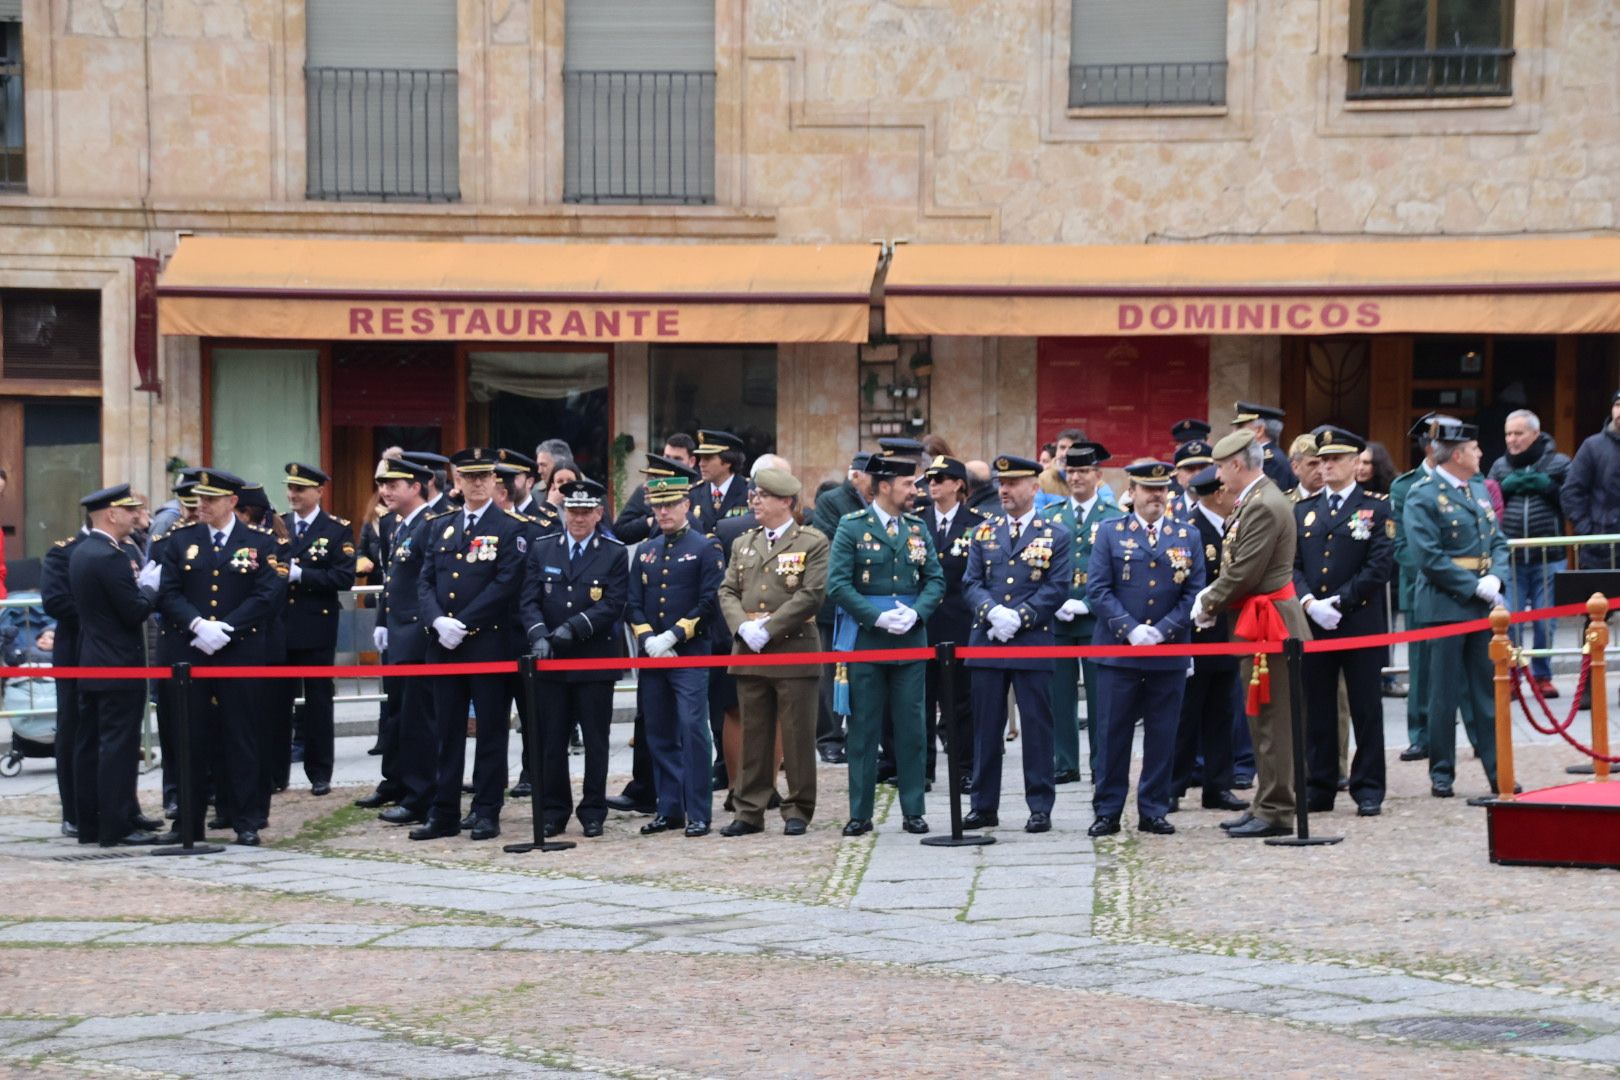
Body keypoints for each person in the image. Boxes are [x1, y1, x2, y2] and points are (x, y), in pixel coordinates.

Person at [154, 469, 281, 846]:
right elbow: (168, 591)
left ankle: (245, 820)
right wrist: (197, 625)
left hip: (239, 651)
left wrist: (227, 628)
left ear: (231, 502)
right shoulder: (179, 541)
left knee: (241, 736)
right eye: (199, 498)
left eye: (210, 498)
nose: (202, 505)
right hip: (191, 652)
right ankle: (187, 824)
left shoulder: (259, 542)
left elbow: (267, 593)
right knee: (188, 738)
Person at [1193, 430, 1309, 839]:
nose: (1220, 477)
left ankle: (1277, 807)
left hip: (1269, 622)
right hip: (1259, 621)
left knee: (1273, 721)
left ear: (1238, 465)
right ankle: (1267, 801)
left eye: (1222, 468)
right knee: (1261, 718)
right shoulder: (1259, 500)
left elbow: (1246, 571)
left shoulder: (1263, 504)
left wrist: (1208, 602)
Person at [409, 448, 526, 843]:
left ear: (496, 481)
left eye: (484, 476)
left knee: (491, 732)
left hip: (488, 643)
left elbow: (506, 582)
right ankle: (443, 811)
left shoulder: (511, 528)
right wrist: (437, 620)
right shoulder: (438, 525)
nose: (476, 483)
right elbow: (424, 580)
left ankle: (486, 810)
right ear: (457, 481)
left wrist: (465, 621)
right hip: (443, 644)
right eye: (469, 476)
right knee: (446, 732)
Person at [827, 453, 944, 836]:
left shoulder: (916, 527)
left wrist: (917, 614)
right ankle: (859, 812)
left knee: (912, 727)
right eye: (908, 484)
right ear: (884, 486)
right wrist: (875, 617)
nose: (916, 490)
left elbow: (935, 580)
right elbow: (838, 585)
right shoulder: (851, 527)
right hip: (868, 640)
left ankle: (913, 808)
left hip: (910, 640)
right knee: (863, 729)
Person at [1085, 461, 1203, 837]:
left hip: (1167, 652)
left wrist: (1165, 630)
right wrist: (1130, 629)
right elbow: (1098, 590)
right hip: (1119, 652)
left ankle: (1153, 808)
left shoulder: (1186, 535)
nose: (1155, 496)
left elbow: (1195, 592)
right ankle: (1107, 810)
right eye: (1147, 489)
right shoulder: (1109, 533)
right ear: (1131, 491)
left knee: (1162, 733)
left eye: (1161, 489)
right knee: (1112, 733)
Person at [961, 454, 1071, 834]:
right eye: (1001, 484)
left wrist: (1020, 618)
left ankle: (1040, 805)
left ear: (1035, 488)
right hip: (988, 641)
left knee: (1038, 729)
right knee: (986, 729)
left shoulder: (1055, 535)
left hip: (1032, 642)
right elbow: (971, 583)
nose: (1004, 490)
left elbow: (1057, 588)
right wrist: (992, 613)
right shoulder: (984, 532)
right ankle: (983, 805)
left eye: (1013, 484)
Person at [1404, 418, 1512, 799]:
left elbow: (1498, 541)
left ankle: (1499, 771)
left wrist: (1496, 578)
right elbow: (1428, 558)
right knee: (1443, 695)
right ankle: (1442, 772)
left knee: (1487, 694)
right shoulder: (1423, 495)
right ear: (1458, 454)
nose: (1481, 453)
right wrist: (1474, 587)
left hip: (1482, 606)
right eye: (1475, 448)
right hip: (1444, 607)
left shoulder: (1477, 491)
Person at [717, 467, 828, 836]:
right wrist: (743, 626)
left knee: (797, 736)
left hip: (793, 649)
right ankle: (749, 809)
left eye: (763, 496)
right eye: (754, 495)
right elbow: (727, 591)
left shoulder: (811, 542)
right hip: (750, 649)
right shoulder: (744, 542)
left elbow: (811, 594)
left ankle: (798, 808)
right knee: (754, 734)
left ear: (786, 502)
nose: (755, 501)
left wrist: (770, 627)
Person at [1293, 428, 1394, 816]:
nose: (1327, 466)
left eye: (1335, 459)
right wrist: (1309, 602)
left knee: (1366, 707)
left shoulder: (1377, 508)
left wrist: (1342, 599)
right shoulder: (1305, 509)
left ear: (1355, 463)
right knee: (1317, 707)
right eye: (1322, 460)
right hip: (1316, 623)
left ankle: (1368, 786)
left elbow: (1380, 564)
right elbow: (1294, 564)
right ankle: (1319, 783)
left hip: (1359, 620)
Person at [521, 478, 628, 839]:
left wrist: (575, 627)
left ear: (599, 513)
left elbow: (613, 604)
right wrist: (538, 635)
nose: (578, 518)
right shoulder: (542, 548)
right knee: (552, 740)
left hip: (594, 658)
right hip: (550, 658)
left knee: (596, 742)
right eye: (572, 511)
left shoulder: (613, 552)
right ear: (562, 511)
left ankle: (593, 810)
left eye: (585, 512)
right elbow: (529, 599)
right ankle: (554, 810)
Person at [626, 457, 724, 837]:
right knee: (659, 732)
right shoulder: (648, 551)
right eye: (657, 506)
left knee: (692, 729)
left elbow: (709, 600)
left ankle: (698, 810)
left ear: (686, 504)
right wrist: (649, 637)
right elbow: (632, 602)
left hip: (689, 654)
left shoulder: (705, 547)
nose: (663, 512)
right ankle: (670, 807)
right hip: (653, 656)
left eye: (670, 505)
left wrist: (675, 636)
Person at [68, 485, 162, 847]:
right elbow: (134, 611)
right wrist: (150, 589)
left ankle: (92, 824)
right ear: (111, 514)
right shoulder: (109, 556)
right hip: (118, 664)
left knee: (93, 746)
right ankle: (116, 826)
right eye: (128, 510)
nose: (133, 516)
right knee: (117, 750)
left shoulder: (83, 551)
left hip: (93, 661)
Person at [1042, 441, 1124, 786]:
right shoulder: (1051, 516)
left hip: (1097, 619)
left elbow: (1119, 574)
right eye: (1071, 471)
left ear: (1097, 475)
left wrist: (1089, 603)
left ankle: (1100, 760)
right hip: (1058, 618)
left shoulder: (1114, 518)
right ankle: (1064, 761)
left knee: (1099, 697)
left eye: (1083, 471)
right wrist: (1053, 601)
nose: (1076, 477)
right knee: (1059, 696)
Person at [363, 459, 439, 825]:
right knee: (400, 717)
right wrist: (382, 620)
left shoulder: (430, 525)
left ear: (416, 486)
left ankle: (421, 795)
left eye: (394, 484)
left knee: (418, 720)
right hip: (398, 631)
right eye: (382, 484)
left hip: (418, 634)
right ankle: (403, 784)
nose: (385, 491)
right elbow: (393, 579)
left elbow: (428, 583)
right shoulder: (396, 524)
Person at [278, 463, 355, 796]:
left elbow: (343, 577)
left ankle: (320, 772)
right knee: (277, 702)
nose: (293, 495)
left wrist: (302, 576)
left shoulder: (336, 530)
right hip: (281, 625)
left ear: (319, 492)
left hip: (316, 624)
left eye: (301, 489)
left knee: (318, 702)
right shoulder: (278, 525)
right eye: (290, 488)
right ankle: (275, 773)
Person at [1171, 467, 1246, 814]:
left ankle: (1219, 785)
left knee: (1222, 713)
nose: (1236, 495)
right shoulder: (1188, 530)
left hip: (1227, 636)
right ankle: (1172, 786)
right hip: (1196, 635)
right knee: (1186, 715)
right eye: (1231, 490)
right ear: (1218, 494)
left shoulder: (1233, 526)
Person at [1488, 409, 1572, 700]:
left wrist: (1549, 488)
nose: (1512, 439)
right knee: (1509, 619)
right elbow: (1488, 505)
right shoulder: (1499, 466)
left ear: (1535, 434)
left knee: (1544, 620)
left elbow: (1571, 501)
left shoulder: (1559, 463)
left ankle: (1542, 675)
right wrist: (1505, 491)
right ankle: (1512, 674)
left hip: (1549, 557)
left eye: (1518, 433)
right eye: (1508, 434)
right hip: (1509, 559)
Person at [920, 455, 985, 787]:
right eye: (930, 478)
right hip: (925, 625)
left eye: (941, 478)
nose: (933, 484)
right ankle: (924, 769)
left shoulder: (977, 525)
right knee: (922, 703)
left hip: (961, 624)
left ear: (959, 484)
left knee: (960, 703)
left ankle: (963, 769)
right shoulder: (917, 523)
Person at [811, 451, 873, 764]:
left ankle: (861, 735)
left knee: (863, 671)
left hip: (870, 603)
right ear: (856, 476)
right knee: (829, 674)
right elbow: (833, 545)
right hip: (833, 602)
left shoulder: (879, 501)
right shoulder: (832, 501)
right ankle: (829, 738)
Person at [40, 518, 90, 837]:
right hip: (76, 650)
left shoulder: (126, 548)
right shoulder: (64, 553)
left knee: (117, 735)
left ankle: (122, 807)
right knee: (73, 728)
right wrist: (101, 613)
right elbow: (56, 601)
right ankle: (73, 811)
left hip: (116, 652)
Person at [615, 434, 697, 544]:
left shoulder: (699, 489)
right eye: (667, 457)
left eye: (677, 459)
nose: (670, 462)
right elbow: (620, 531)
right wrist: (650, 521)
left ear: (691, 461)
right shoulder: (647, 489)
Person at [1231, 401, 1299, 493]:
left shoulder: (1270, 461)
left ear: (1259, 430)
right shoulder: (1267, 457)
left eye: (1240, 427)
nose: (1234, 433)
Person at [1168, 439, 1213, 523]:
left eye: (1203, 468)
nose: (1197, 474)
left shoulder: (1227, 507)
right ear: (1178, 477)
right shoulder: (1166, 510)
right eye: (1190, 469)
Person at [1287, 434, 1324, 502]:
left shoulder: (1337, 501)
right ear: (1295, 467)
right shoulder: (1284, 503)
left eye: (1324, 462)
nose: (1321, 470)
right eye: (1313, 464)